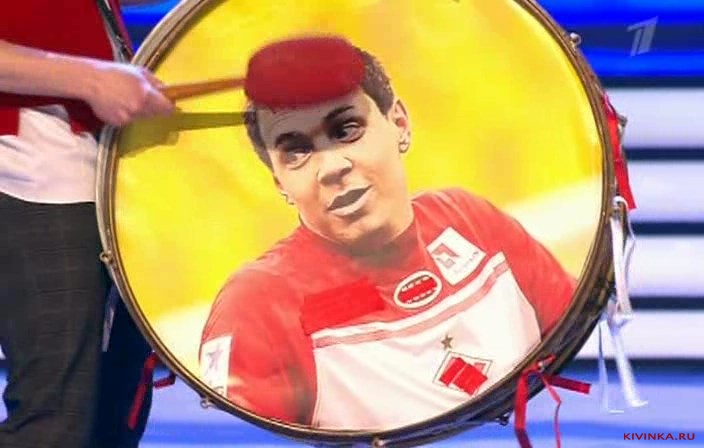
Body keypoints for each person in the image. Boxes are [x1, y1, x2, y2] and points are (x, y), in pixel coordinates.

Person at [199, 36, 576, 432]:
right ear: (280, 182)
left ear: (399, 124)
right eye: (296, 152)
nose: (331, 167)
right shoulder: (258, 304)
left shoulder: (472, 223)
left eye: (346, 129)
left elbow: (578, 343)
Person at [0, 1, 174, 447]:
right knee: (57, 420)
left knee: (111, 416)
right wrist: (93, 78)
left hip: (100, 170)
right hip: (31, 172)